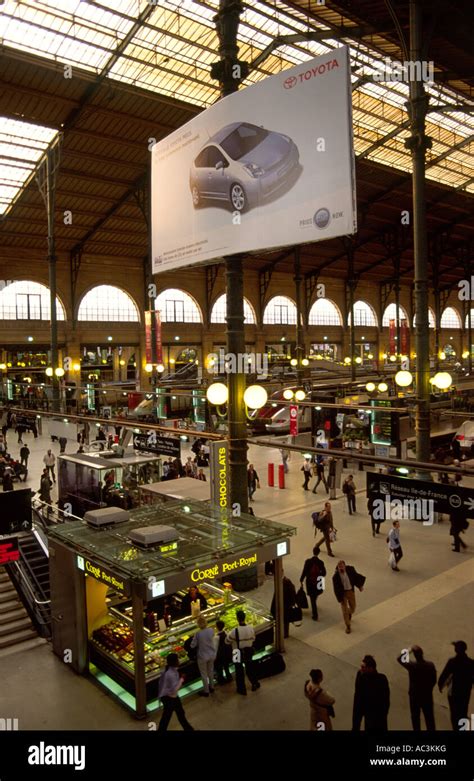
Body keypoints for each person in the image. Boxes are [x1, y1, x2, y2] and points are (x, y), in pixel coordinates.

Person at [397, 646, 437, 731]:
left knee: (415, 717)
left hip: (415, 696)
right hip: (427, 695)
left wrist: (409, 650)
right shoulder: (430, 665)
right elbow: (434, 680)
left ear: (414, 655)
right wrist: (429, 689)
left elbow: (399, 658)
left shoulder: (412, 665)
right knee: (429, 717)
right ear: (422, 653)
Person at [438, 641, 474, 731]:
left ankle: (456, 728)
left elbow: (445, 674)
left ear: (457, 649)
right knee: (463, 712)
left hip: (454, 692)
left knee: (454, 713)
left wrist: (440, 685)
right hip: (465, 692)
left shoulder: (452, 661)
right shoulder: (471, 662)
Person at [352, 655, 390, 732]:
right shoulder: (361, 676)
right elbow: (358, 698)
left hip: (378, 716)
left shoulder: (381, 680)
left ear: (370, 668)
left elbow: (386, 700)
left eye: (363, 667)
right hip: (369, 716)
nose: (361, 669)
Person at [157, 653, 194, 732]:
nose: (179, 661)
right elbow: (174, 689)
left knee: (178, 714)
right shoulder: (171, 674)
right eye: (177, 659)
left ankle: (188, 729)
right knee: (169, 716)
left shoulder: (169, 670)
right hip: (169, 698)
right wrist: (182, 679)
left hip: (170, 697)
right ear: (174, 662)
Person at [226, 609, 260, 695]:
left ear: (237, 619)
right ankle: (254, 683)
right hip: (248, 650)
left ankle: (242, 689)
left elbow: (227, 641)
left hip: (236, 652)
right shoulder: (250, 628)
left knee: (239, 671)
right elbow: (253, 639)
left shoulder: (235, 631)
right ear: (244, 618)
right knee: (250, 668)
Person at [332, 560, 366, 634]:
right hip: (342, 593)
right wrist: (339, 599)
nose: (341, 568)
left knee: (353, 608)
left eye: (342, 566)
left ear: (345, 566)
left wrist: (360, 586)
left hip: (350, 591)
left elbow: (356, 577)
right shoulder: (336, 577)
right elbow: (336, 589)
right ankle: (348, 626)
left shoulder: (350, 570)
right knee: (344, 611)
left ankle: (349, 613)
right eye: (339, 567)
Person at [191, 615, 216, 696]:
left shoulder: (198, 634)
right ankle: (212, 687)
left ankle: (206, 691)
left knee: (204, 674)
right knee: (211, 671)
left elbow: (192, 645)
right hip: (211, 654)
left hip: (202, 656)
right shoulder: (211, 630)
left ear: (198, 624)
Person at [300, 545, 326, 621]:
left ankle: (315, 615)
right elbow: (324, 573)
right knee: (316, 595)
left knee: (312, 598)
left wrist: (301, 579)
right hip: (318, 582)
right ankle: (314, 602)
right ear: (319, 553)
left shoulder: (308, 561)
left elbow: (304, 571)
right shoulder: (321, 562)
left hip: (310, 582)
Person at [270, 572, 297, 638]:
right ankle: (285, 633)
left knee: (282, 620)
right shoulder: (288, 583)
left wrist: (272, 608)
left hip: (283, 606)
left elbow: (275, 597)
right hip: (286, 606)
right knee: (285, 621)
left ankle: (283, 633)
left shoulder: (282, 584)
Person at [214, 619, 232, 685]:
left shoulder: (216, 637)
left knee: (219, 667)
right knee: (226, 666)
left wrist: (214, 657)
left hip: (220, 655)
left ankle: (221, 679)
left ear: (216, 627)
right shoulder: (226, 633)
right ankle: (229, 676)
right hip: (227, 653)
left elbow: (215, 648)